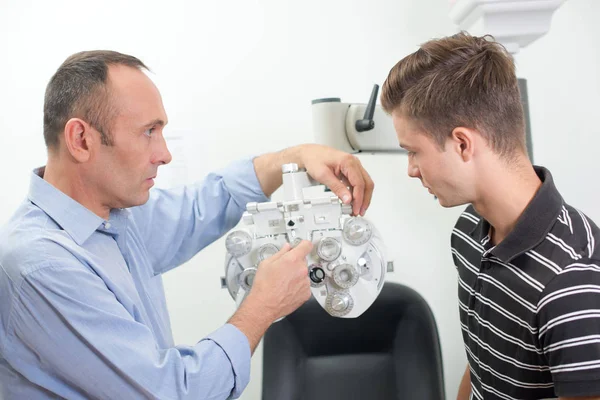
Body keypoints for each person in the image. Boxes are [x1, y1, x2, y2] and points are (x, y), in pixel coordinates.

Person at [0, 51, 374, 399]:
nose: (164, 154)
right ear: (81, 139)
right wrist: (262, 305)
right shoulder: (41, 265)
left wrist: (294, 157)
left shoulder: (114, 218)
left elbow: (204, 204)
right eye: (149, 131)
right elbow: (171, 392)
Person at [381, 32, 600, 400]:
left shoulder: (574, 282)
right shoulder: (468, 230)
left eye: (413, 152)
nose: (411, 170)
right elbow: (482, 361)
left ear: (462, 144)